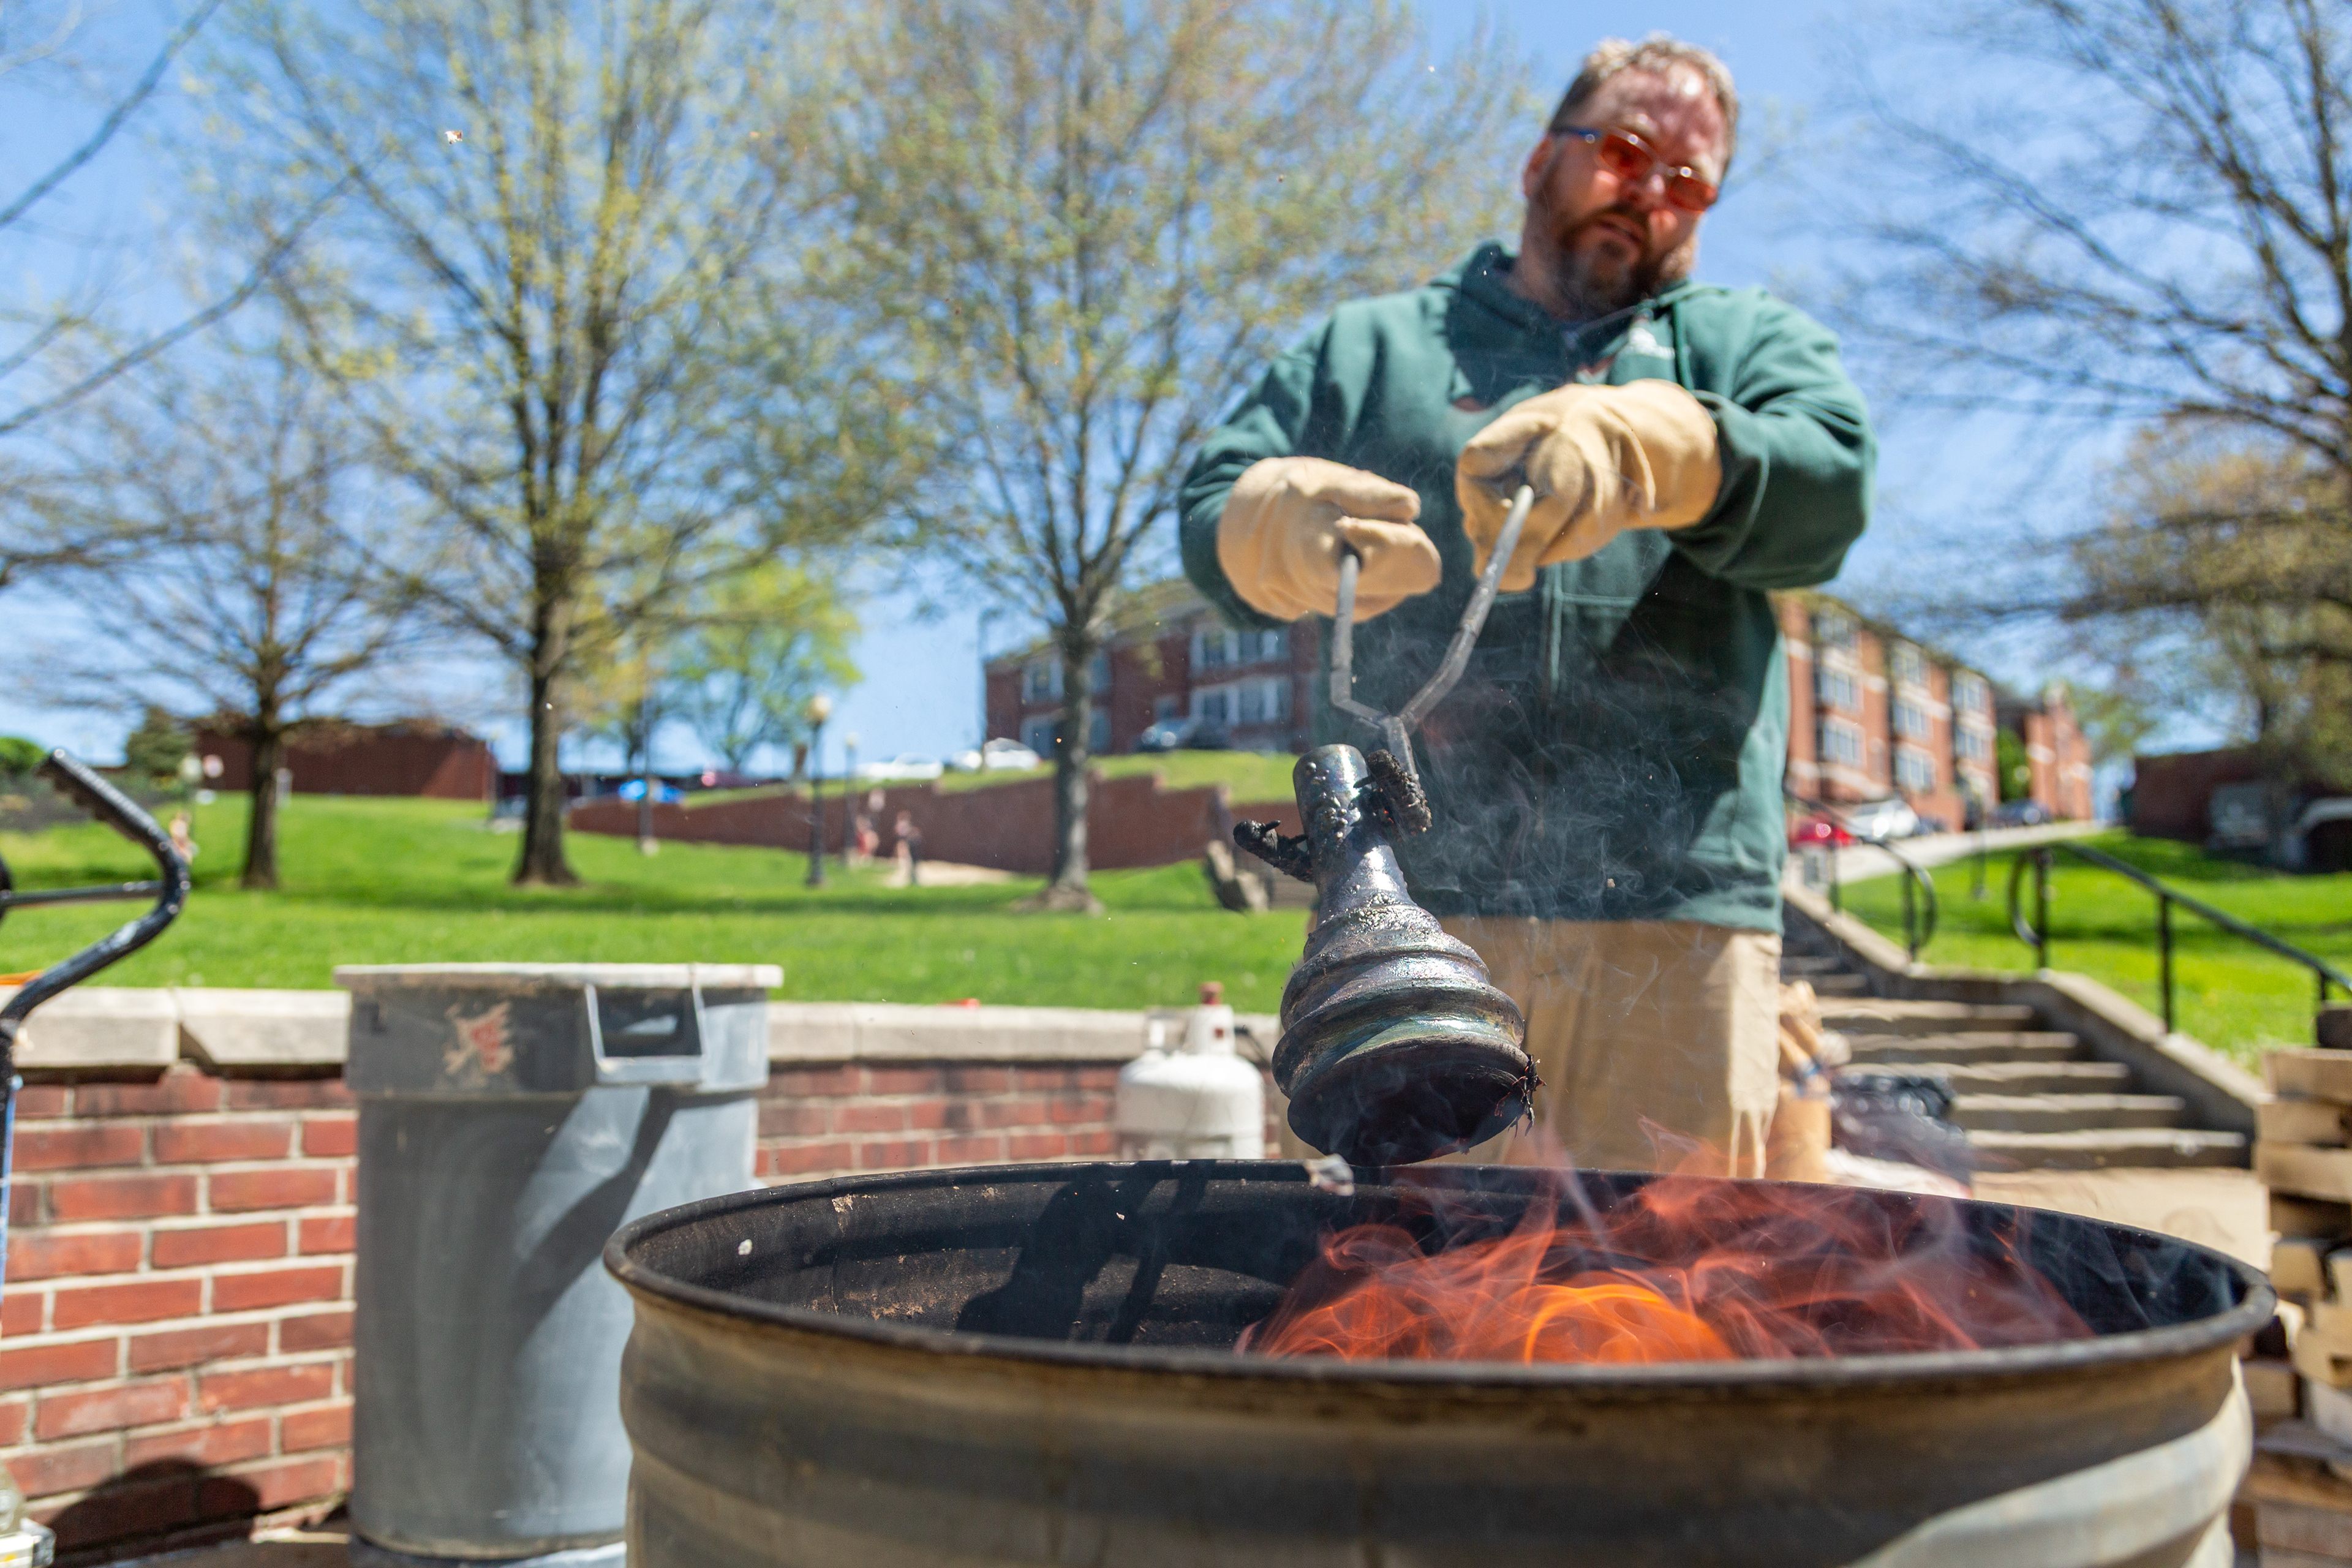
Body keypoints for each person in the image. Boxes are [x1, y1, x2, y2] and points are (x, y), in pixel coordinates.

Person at [1178, 36, 1872, 1175]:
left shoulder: (1745, 346)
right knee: (1399, 1291)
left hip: (1680, 915)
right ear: (1538, 159)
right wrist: (1265, 525)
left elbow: (1832, 490)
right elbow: (1210, 519)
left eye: (1689, 182)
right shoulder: (1371, 349)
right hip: (1411, 918)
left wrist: (1674, 447)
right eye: (1626, 151)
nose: (1651, 192)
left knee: (1680, 1302)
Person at [893, 810, 924, 888]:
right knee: (906, 859)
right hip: (904, 841)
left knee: (906, 860)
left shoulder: (902, 824)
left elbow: (898, 832)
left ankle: (908, 876)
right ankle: (908, 876)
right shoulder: (904, 824)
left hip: (905, 842)